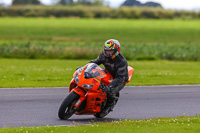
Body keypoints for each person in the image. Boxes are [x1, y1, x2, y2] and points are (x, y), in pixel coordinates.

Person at [89, 39, 128, 115]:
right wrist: (85, 67)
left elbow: (119, 77)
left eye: (110, 51)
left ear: (116, 50)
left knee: (110, 92)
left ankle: (108, 107)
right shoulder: (103, 55)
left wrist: (110, 87)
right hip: (108, 73)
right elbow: (95, 62)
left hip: (120, 78)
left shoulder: (121, 61)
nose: (108, 53)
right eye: (107, 50)